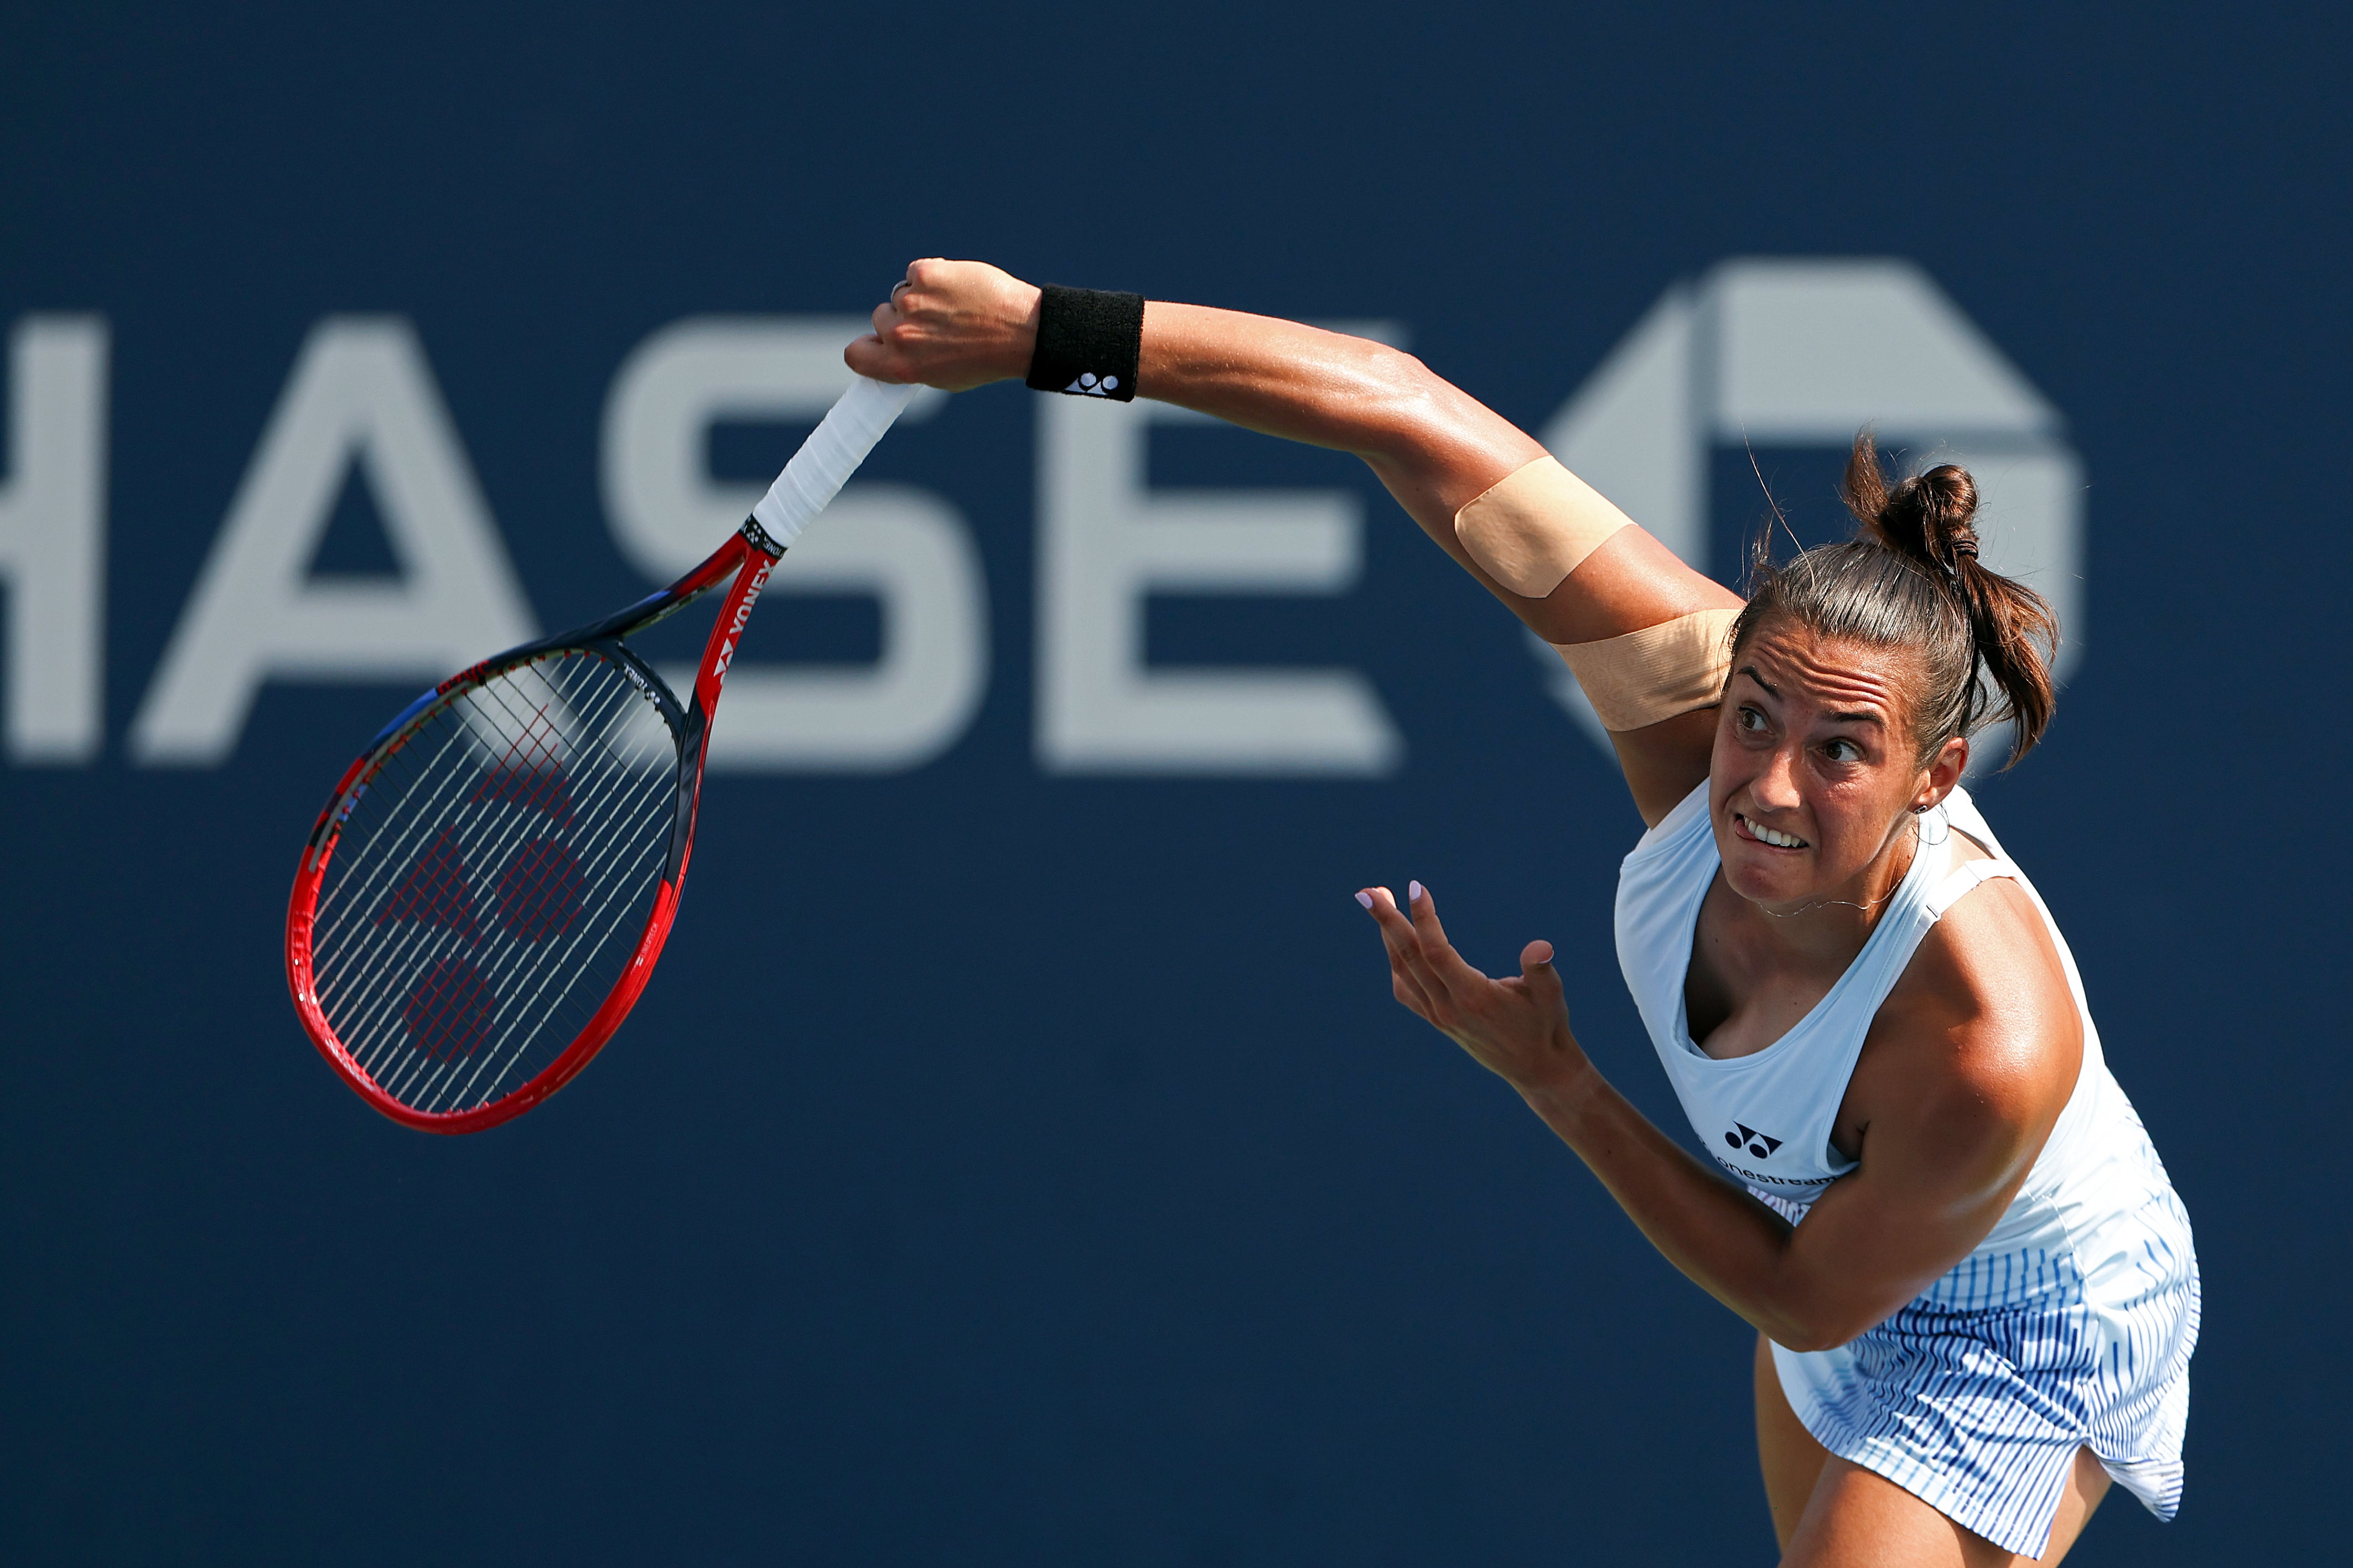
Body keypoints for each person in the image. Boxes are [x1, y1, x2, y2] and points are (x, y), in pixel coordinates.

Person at [849, 261, 2199, 1567]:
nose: (1769, 785)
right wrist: (1040, 330)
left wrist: (1555, 1080)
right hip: (1837, 1238)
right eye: (1752, 719)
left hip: (2025, 1319)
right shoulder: (1672, 696)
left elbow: (1801, 1290)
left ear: (1934, 775)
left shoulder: (1980, 1045)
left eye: (1841, 751)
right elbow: (1389, 405)